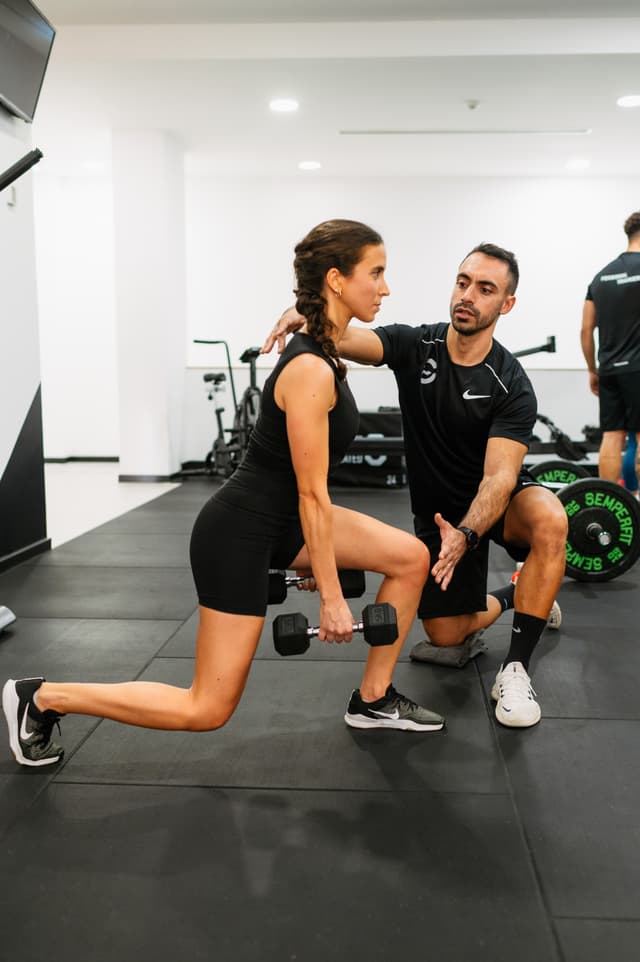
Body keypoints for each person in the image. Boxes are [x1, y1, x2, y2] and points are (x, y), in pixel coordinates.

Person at [2, 220, 445, 769]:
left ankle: (373, 700)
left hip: (281, 521)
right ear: (336, 278)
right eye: (376, 273)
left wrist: (313, 559)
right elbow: (313, 497)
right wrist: (331, 595)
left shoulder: (328, 349)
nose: (385, 287)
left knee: (409, 557)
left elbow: (309, 496)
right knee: (206, 708)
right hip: (240, 531)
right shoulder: (311, 369)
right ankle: (42, 698)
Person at [263, 243, 568, 729]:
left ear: (505, 304)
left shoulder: (510, 382)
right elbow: (341, 337)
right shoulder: (415, 346)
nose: (467, 295)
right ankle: (521, 593)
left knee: (552, 519)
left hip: (493, 506)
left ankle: (515, 668)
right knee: (445, 637)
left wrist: (467, 535)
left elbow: (500, 477)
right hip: (437, 515)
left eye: (485, 289)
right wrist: (302, 310)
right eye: (463, 281)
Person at [581, 210, 640, 483]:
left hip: (609, 369)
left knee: (612, 435)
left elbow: (585, 329)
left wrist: (593, 370)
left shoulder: (600, 277)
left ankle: (608, 500)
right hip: (638, 367)